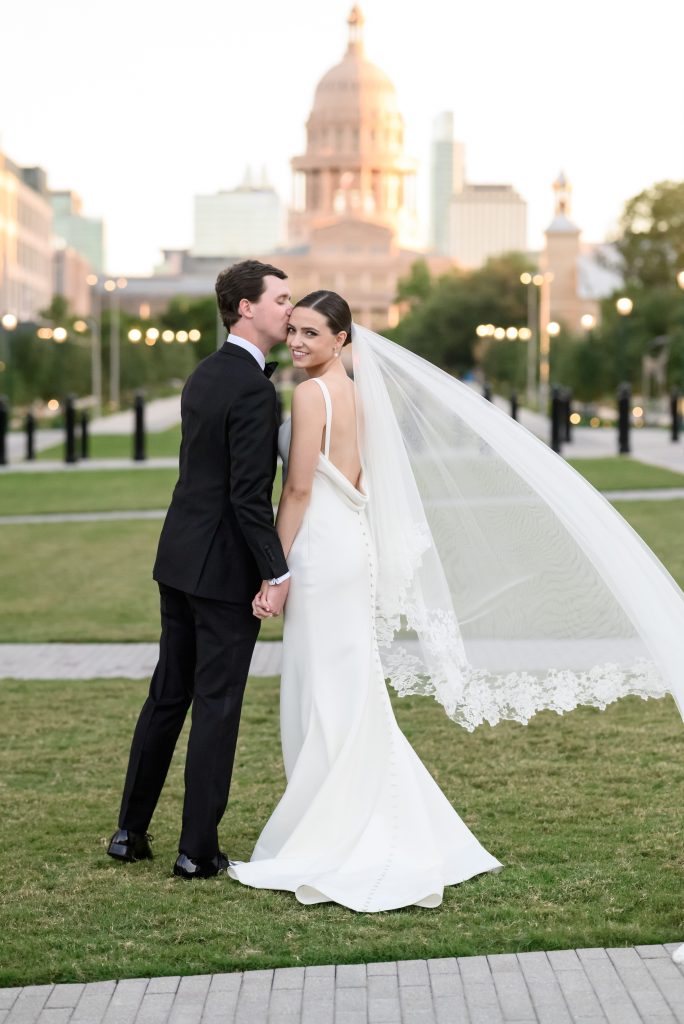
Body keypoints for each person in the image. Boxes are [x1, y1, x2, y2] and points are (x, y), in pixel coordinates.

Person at [228, 289, 684, 914]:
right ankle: (361, 812)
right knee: (346, 686)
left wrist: (273, 571)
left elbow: (301, 489)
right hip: (351, 544)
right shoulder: (359, 396)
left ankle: (334, 825)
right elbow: (359, 480)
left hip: (321, 550)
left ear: (342, 341)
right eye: (296, 331)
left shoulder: (311, 395)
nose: (300, 342)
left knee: (325, 688)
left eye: (313, 333)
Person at [107, 260, 292, 879]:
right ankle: (197, 850)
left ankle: (129, 832)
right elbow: (247, 496)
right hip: (220, 572)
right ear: (247, 307)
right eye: (281, 300)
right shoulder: (253, 388)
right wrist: (277, 570)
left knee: (168, 694)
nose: (289, 311)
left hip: (178, 558)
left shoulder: (205, 375)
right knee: (216, 704)